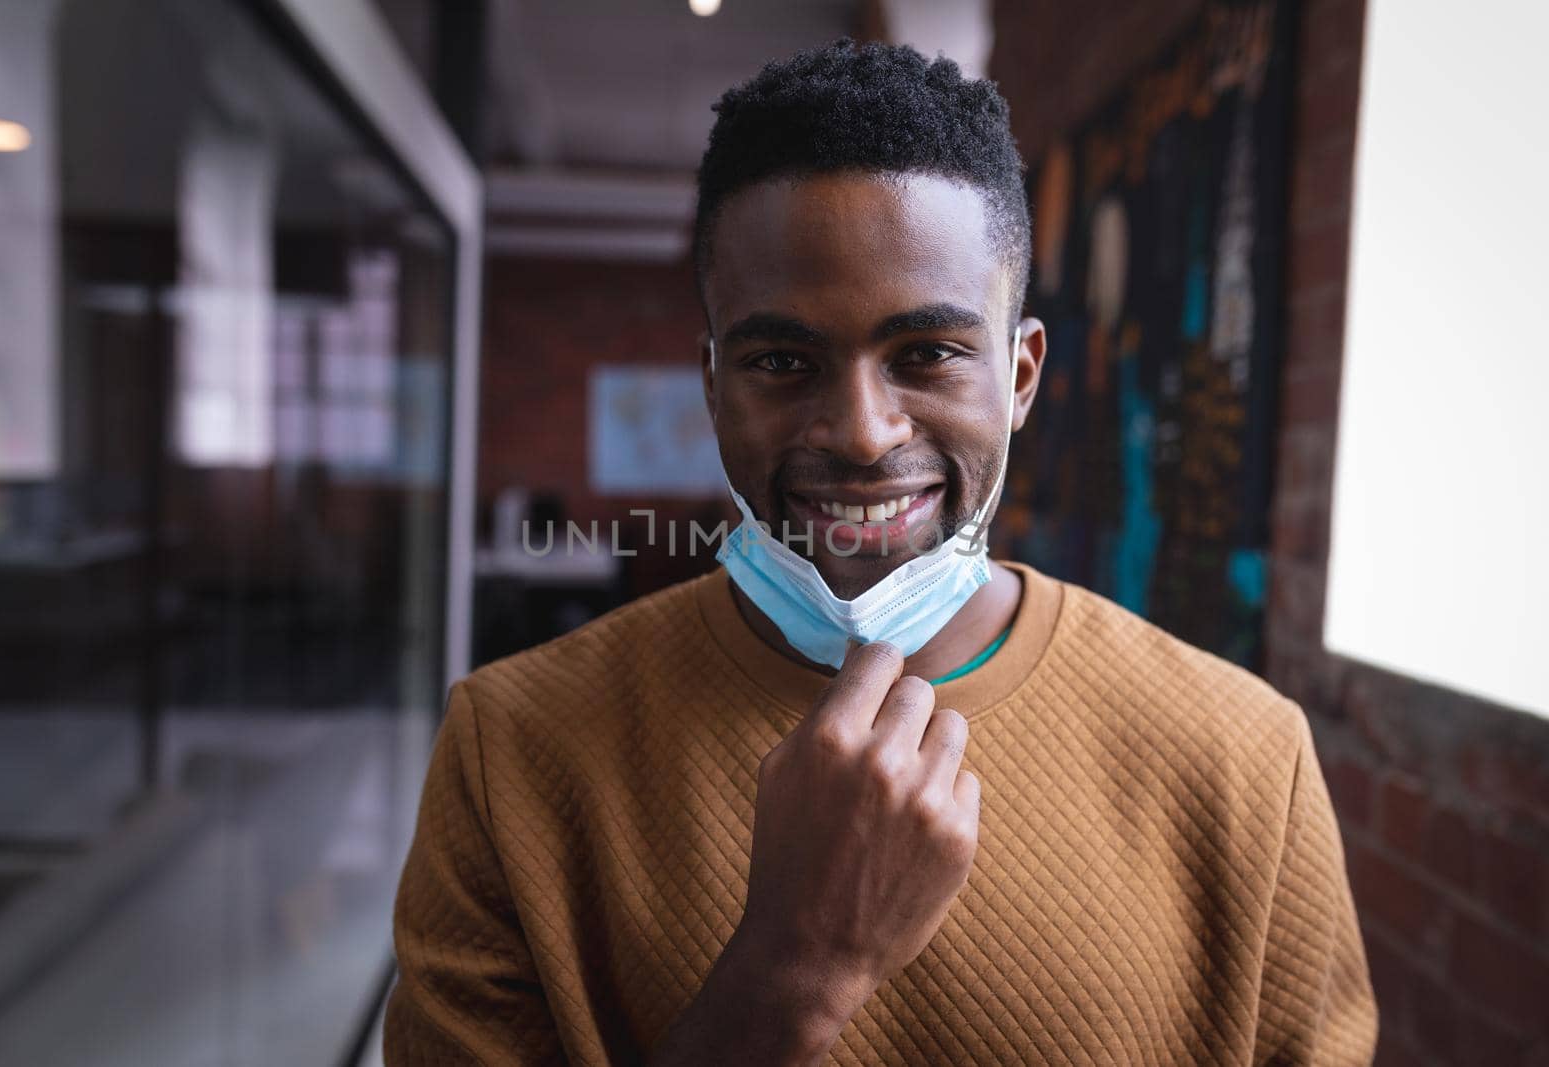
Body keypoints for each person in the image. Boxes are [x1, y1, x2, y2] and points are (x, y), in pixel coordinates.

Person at [383, 39, 1377, 1066]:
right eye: (781, 359)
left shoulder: (1246, 760)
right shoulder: (511, 752)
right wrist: (795, 966)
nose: (861, 431)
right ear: (714, 383)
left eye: (927, 354)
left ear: (1021, 374)